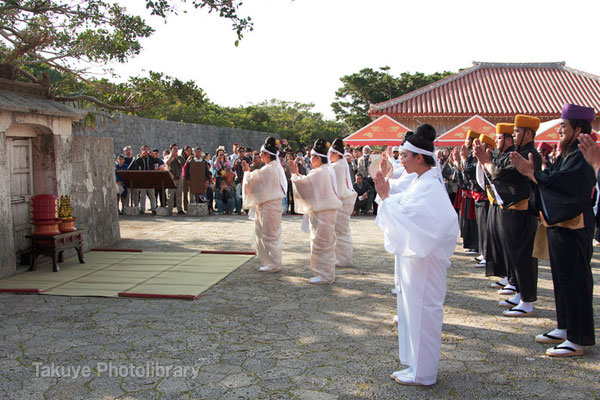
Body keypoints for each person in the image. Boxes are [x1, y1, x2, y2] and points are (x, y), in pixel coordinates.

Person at [374, 123, 459, 386]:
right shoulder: (422, 182)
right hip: (416, 262)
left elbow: (420, 222)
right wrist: (387, 199)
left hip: (426, 262)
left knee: (424, 313)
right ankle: (416, 366)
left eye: (405, 156)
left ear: (419, 157)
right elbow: (403, 209)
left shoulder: (431, 186)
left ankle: (424, 373)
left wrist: (386, 199)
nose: (401, 161)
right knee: (414, 312)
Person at [513, 104, 596, 357]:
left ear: (578, 129)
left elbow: (565, 185)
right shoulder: (568, 153)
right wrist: (535, 175)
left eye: (564, 126)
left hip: (575, 224)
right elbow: (553, 178)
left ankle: (578, 338)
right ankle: (565, 326)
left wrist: (533, 174)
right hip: (560, 225)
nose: (559, 131)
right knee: (561, 278)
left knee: (575, 280)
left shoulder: (584, 155)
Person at [474, 115, 542, 317]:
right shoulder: (518, 153)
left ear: (528, 133)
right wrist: (488, 164)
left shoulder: (530, 155)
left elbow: (499, 174)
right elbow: (497, 171)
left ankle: (527, 301)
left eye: (518, 132)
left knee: (524, 257)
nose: (514, 134)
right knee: (513, 255)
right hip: (510, 210)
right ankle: (519, 292)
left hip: (522, 212)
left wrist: (486, 163)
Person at [289, 139, 342, 284]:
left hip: (322, 212)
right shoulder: (325, 171)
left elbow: (304, 188)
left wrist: (294, 174)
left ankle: (324, 275)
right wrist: (298, 176)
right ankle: (325, 273)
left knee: (321, 244)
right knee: (326, 243)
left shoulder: (319, 173)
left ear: (319, 158)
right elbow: (307, 184)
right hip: (326, 211)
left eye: (313, 157)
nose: (311, 159)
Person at [242, 137, 287, 273]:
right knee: (265, 233)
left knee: (270, 234)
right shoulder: (271, 168)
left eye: (262, 153)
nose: (260, 155)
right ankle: (269, 261)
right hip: (267, 205)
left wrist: (246, 172)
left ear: (268, 154)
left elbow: (252, 181)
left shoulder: (270, 169)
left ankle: (273, 263)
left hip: (270, 206)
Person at [479, 124, 513, 290]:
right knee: (500, 241)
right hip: (498, 202)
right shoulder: (502, 156)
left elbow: (498, 175)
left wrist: (485, 163)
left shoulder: (513, 156)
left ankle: (515, 283)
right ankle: (508, 276)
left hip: (513, 207)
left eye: (499, 138)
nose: (496, 141)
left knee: (512, 247)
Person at [329, 138, 357, 268]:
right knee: (343, 231)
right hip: (343, 200)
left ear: (336, 154)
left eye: (330, 153)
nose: (329, 156)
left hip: (339, 200)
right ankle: (343, 257)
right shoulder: (341, 165)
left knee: (340, 232)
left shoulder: (336, 167)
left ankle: (342, 259)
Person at [130, 145, 158, 215]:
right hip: (142, 178)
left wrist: (152, 155)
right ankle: (142, 209)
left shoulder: (150, 158)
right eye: (144, 150)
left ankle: (154, 208)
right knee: (143, 195)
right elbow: (137, 162)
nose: (145, 151)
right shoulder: (139, 157)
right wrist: (142, 155)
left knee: (152, 194)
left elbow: (156, 161)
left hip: (150, 178)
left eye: (146, 150)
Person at [165, 144, 186, 214]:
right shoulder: (167, 156)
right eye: (174, 149)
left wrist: (177, 157)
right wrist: (172, 156)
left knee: (179, 193)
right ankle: (170, 208)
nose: (176, 150)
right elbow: (167, 163)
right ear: (171, 149)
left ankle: (179, 208)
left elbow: (183, 163)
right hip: (171, 177)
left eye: (176, 149)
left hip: (179, 177)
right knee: (170, 194)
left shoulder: (179, 157)